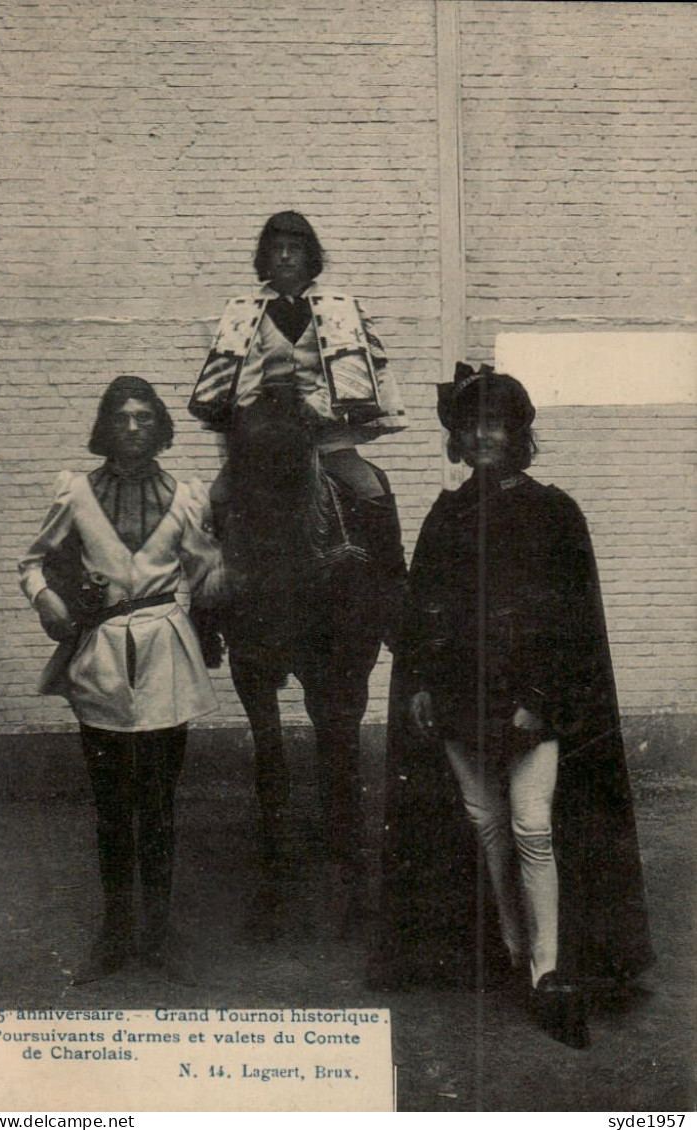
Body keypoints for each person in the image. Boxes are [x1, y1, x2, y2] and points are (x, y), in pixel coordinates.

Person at [371, 362, 654, 1048]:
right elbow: (428, 612)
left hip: (530, 704)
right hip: (461, 703)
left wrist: (540, 701)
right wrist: (423, 687)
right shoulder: (447, 512)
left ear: (518, 431)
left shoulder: (554, 511)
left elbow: (573, 621)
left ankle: (550, 970)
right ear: (457, 438)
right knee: (487, 824)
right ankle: (512, 949)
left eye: (495, 423)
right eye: (470, 425)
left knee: (532, 827)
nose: (482, 435)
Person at [19, 376, 223, 983]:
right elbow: (32, 561)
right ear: (104, 428)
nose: (132, 428)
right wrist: (46, 599)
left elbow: (207, 567)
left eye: (143, 417)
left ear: (159, 426)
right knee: (112, 806)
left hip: (166, 656)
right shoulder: (75, 493)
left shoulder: (188, 496)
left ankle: (158, 937)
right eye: (120, 418)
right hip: (102, 657)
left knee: (159, 805)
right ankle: (114, 934)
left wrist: (222, 578)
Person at [187, 210, 408, 637]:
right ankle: (206, 613)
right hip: (264, 438)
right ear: (265, 257)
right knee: (213, 501)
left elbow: (359, 375)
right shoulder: (242, 312)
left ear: (309, 256)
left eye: (295, 248)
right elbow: (235, 380)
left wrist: (322, 405)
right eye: (277, 248)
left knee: (372, 490)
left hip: (326, 440)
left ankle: (395, 602)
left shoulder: (342, 309)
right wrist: (261, 412)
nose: (286, 256)